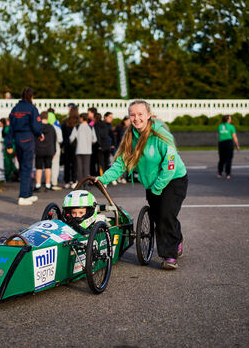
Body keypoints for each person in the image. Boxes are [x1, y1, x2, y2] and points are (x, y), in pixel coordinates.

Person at [96, 100, 188, 270]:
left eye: (140, 114)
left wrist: (157, 188)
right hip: (153, 183)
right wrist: (103, 179)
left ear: (148, 115)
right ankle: (177, 239)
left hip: (174, 179)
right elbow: (121, 163)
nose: (136, 118)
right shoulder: (131, 137)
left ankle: (169, 256)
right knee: (160, 217)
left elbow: (170, 164)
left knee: (165, 215)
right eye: (133, 115)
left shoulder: (161, 135)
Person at [6, 87, 43, 205]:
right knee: (27, 167)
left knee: (23, 166)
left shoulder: (15, 109)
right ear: (31, 97)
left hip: (17, 139)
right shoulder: (32, 108)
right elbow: (36, 126)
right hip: (28, 138)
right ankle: (22, 196)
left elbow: (10, 128)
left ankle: (29, 194)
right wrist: (40, 134)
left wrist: (8, 144)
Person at [70, 113, 97, 183]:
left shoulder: (77, 127)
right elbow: (94, 139)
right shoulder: (90, 127)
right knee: (86, 168)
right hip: (88, 150)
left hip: (79, 150)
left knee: (79, 168)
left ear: (81, 118)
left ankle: (80, 183)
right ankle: (86, 183)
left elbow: (71, 138)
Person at [34, 111, 56, 191]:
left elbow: (35, 138)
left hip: (39, 149)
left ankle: (38, 185)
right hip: (49, 150)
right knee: (48, 167)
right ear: (47, 117)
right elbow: (54, 139)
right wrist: (54, 151)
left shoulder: (38, 127)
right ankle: (47, 184)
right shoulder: (51, 127)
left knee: (39, 168)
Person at [216, 115, 240, 179]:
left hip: (221, 143)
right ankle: (228, 174)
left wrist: (220, 142)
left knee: (221, 159)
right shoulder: (231, 127)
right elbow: (234, 137)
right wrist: (237, 145)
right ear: (228, 119)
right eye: (230, 119)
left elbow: (217, 136)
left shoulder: (220, 126)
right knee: (228, 159)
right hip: (228, 143)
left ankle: (219, 173)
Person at [61, 106, 79, 188]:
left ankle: (67, 181)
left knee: (67, 163)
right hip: (76, 145)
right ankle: (74, 180)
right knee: (75, 164)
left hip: (66, 144)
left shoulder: (65, 121)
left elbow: (62, 134)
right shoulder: (78, 122)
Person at [47, 109, 63, 190]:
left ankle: (47, 182)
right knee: (55, 165)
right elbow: (60, 139)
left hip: (44, 147)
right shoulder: (56, 126)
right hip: (55, 147)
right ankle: (54, 182)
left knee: (47, 165)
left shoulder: (42, 126)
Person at [93, 112, 112, 177]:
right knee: (107, 163)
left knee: (101, 164)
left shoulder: (95, 125)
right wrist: (112, 144)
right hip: (107, 146)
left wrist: (99, 145)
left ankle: (102, 178)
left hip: (100, 147)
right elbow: (111, 134)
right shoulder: (106, 124)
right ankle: (108, 177)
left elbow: (97, 137)